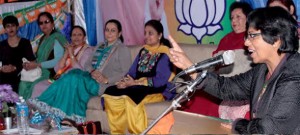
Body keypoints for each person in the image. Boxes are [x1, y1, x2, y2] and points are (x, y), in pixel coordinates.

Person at [169, 7, 300, 134]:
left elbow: (268, 129)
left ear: (276, 40)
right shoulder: (262, 70)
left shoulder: (295, 74)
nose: (246, 43)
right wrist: (190, 67)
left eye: (252, 36)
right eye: (247, 37)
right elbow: (227, 87)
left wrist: (238, 124)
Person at [28, 19, 132, 123]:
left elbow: (126, 72)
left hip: (103, 84)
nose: (109, 33)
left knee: (73, 78)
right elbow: (87, 65)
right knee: (70, 74)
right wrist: (92, 71)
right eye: (107, 30)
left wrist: (106, 79)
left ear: (119, 33)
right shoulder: (100, 46)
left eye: (113, 30)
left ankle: (53, 110)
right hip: (90, 77)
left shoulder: (122, 49)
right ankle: (50, 111)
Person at [183, 2, 253, 121]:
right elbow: (213, 66)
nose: (234, 21)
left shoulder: (252, 39)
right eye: (232, 18)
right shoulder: (225, 39)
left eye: (238, 17)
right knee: (196, 96)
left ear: (248, 18)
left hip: (236, 88)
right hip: (218, 83)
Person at [102, 19, 175, 134]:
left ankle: (138, 132)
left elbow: (160, 81)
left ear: (160, 35)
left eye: (150, 33)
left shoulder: (165, 54)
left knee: (130, 97)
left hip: (156, 89)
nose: (146, 36)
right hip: (137, 86)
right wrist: (124, 81)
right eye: (145, 33)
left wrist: (135, 83)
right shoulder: (143, 51)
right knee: (110, 92)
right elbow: (131, 72)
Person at [31, 25, 94, 98]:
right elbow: (57, 68)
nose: (76, 37)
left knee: (47, 89)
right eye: (74, 35)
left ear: (84, 38)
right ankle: (37, 108)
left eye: (79, 35)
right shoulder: (70, 47)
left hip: (72, 81)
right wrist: (66, 54)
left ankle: (47, 108)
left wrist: (71, 54)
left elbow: (80, 70)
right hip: (60, 77)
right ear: (71, 37)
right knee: (38, 86)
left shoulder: (87, 50)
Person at [18, 12, 68, 100]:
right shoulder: (43, 38)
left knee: (35, 86)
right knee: (23, 84)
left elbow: (57, 61)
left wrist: (37, 65)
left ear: (52, 23)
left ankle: (30, 111)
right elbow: (40, 58)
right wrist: (30, 64)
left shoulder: (57, 37)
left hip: (54, 74)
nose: (43, 25)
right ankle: (22, 110)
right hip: (40, 72)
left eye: (46, 21)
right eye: (41, 23)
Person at [0, 15, 36, 93]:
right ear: (5, 30)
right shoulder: (1, 45)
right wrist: (2, 68)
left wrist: (15, 68)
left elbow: (32, 62)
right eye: (8, 26)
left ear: (17, 27)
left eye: (13, 25)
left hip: (21, 76)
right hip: (3, 77)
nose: (10, 28)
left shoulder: (25, 43)